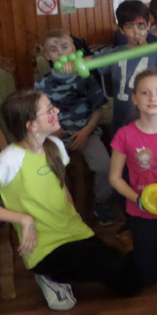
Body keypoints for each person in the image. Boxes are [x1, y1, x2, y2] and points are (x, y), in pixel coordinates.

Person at [0, 90, 141, 311]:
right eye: (49, 110)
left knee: (130, 275)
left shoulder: (55, 146)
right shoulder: (9, 160)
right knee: (122, 274)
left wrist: (72, 215)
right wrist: (24, 219)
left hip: (73, 232)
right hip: (45, 248)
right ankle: (50, 277)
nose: (57, 111)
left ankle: (127, 252)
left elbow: (61, 185)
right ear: (32, 126)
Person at [108, 68, 157, 286]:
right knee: (146, 276)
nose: (153, 98)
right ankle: (129, 244)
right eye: (145, 93)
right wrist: (138, 199)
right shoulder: (124, 135)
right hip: (140, 211)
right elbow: (115, 178)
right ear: (134, 99)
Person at [34, 29, 114, 225]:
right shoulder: (43, 83)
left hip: (87, 133)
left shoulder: (85, 77)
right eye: (54, 49)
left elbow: (99, 110)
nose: (60, 53)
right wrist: (52, 131)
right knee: (50, 168)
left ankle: (101, 202)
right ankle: (63, 206)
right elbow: (38, 114)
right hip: (55, 137)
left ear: (74, 50)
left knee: (105, 166)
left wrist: (86, 132)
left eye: (65, 47)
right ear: (47, 55)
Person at [62, 0, 157, 134]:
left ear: (148, 25)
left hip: (153, 123)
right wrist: (71, 64)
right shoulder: (115, 54)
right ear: (122, 30)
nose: (136, 31)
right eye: (129, 26)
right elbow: (87, 62)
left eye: (140, 25)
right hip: (122, 124)